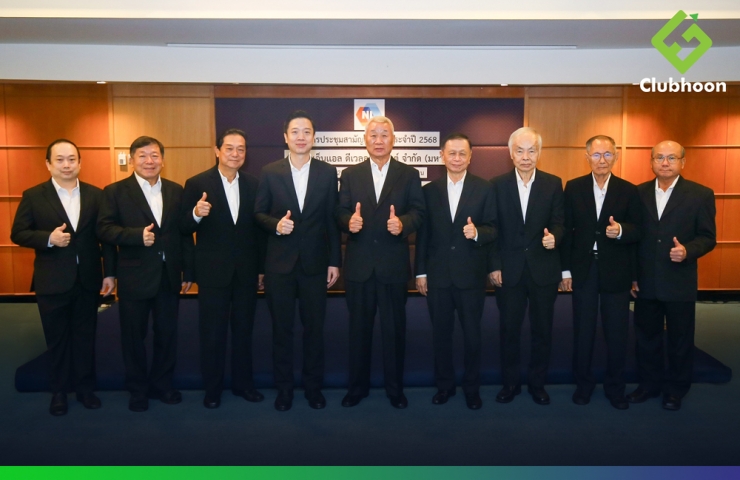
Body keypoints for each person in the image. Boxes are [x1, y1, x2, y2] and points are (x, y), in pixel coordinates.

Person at [11, 139, 116, 416]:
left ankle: (85, 389)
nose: (66, 165)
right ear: (48, 164)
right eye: (60, 160)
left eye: (72, 159)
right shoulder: (34, 195)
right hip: (52, 280)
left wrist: (109, 273)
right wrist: (48, 238)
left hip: (88, 280)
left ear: (80, 163)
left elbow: (105, 237)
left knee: (85, 337)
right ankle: (58, 392)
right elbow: (18, 233)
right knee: (57, 339)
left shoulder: (96, 195)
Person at [97, 136, 194, 412]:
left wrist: (188, 270)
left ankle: (162, 385)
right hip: (134, 276)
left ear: (163, 160)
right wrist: (135, 236)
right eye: (142, 156)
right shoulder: (115, 192)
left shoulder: (176, 190)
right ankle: (137, 388)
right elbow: (104, 230)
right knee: (133, 337)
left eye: (154, 155)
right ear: (131, 160)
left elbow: (184, 233)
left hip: (168, 275)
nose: (149, 161)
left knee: (167, 334)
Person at [336, 115, 425, 409]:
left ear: (393, 140)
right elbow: (339, 212)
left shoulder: (409, 174)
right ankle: (356, 389)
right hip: (359, 267)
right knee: (358, 333)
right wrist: (348, 221)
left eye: (384, 135)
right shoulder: (350, 174)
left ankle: (395, 390)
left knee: (394, 333)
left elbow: (419, 212)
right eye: (373, 135)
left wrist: (403, 224)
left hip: (392, 268)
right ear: (365, 140)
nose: (378, 140)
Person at [254, 110, 341, 411]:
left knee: (314, 331)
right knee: (282, 330)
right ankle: (284, 390)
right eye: (295, 132)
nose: (301, 137)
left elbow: (331, 220)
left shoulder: (327, 172)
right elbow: (258, 213)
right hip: (279, 265)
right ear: (285, 137)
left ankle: (313, 389)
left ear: (314, 137)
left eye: (306, 132)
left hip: (315, 265)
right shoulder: (270, 172)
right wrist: (276, 225)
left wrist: (334, 260)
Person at [628, 140, 716, 411]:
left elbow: (708, 237)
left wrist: (688, 251)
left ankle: (676, 390)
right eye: (659, 157)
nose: (665, 163)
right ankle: (649, 384)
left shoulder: (700, 194)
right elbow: (634, 238)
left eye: (671, 158)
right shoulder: (638, 193)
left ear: (682, 162)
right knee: (646, 338)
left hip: (679, 280)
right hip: (645, 281)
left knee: (680, 340)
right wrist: (632, 275)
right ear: (651, 161)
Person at [181, 129, 266, 409]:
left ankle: (244, 385)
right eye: (229, 148)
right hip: (212, 272)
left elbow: (259, 232)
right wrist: (196, 214)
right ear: (217, 151)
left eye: (241, 149)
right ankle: (212, 389)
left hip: (246, 272)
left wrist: (261, 269)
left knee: (244, 331)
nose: (235, 154)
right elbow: (183, 228)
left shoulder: (254, 184)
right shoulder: (196, 183)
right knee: (212, 334)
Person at [415, 133, 497, 410]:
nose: (457, 158)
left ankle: (472, 389)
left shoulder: (485, 189)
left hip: (470, 276)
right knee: (441, 336)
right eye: (452, 153)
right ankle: (444, 386)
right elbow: (423, 236)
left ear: (470, 157)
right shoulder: (429, 191)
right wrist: (421, 272)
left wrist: (478, 233)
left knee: (472, 337)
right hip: (438, 276)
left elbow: (493, 228)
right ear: (442, 156)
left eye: (463, 153)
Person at [559, 135, 641, 410]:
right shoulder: (573, 187)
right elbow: (566, 231)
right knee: (583, 331)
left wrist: (621, 231)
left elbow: (638, 230)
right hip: (583, 269)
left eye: (607, 154)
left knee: (617, 333)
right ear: (587, 157)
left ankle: (615, 388)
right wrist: (565, 270)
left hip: (616, 271)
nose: (602, 160)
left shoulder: (629, 190)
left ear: (616, 157)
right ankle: (583, 385)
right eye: (596, 154)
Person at [489, 127, 564, 406]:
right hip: (508, 271)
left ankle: (537, 384)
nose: (526, 156)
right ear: (511, 154)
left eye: (531, 150)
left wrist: (555, 237)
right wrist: (494, 266)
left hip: (543, 269)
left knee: (542, 331)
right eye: (520, 151)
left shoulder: (553, 183)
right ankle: (510, 384)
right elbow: (492, 229)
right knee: (509, 330)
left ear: (539, 153)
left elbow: (560, 222)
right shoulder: (496, 185)